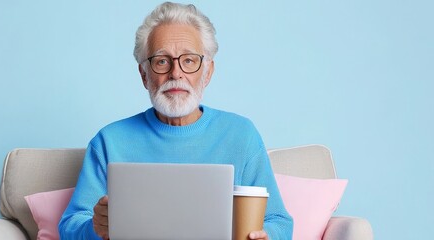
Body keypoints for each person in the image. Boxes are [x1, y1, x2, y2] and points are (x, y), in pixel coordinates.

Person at [59, 2, 293, 240]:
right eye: (162, 61)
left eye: (189, 61)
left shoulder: (241, 135)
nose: (176, 73)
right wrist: (94, 228)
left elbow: (279, 222)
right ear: (144, 75)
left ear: (208, 72)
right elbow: (70, 225)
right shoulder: (109, 142)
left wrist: (267, 236)